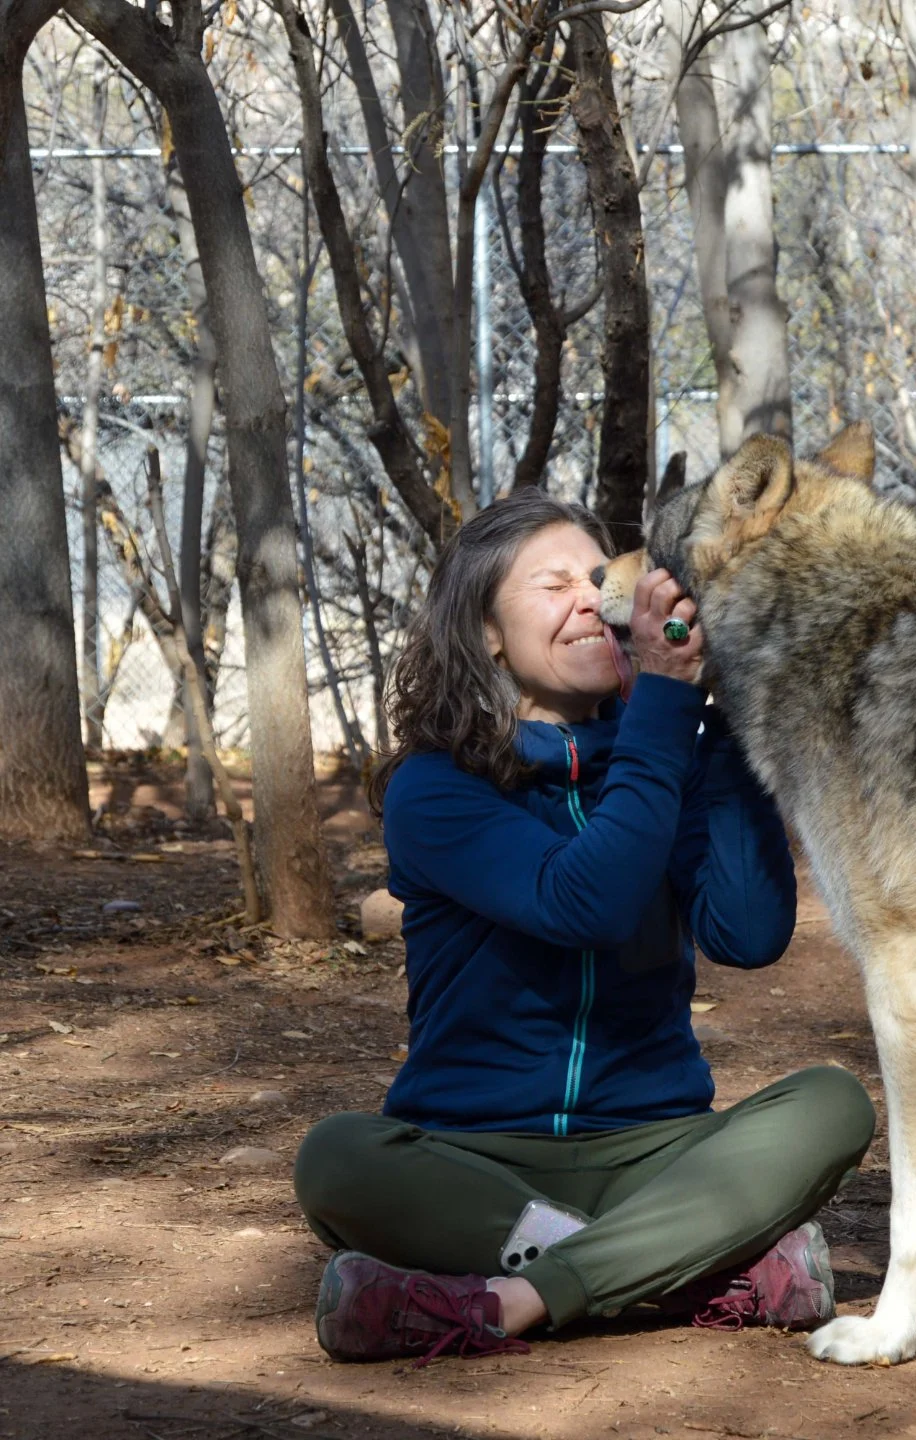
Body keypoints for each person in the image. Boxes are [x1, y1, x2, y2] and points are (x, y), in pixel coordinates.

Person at [293, 489, 875, 1366]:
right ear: (486, 631)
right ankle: (681, 1271)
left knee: (833, 1104)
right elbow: (583, 902)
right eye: (551, 584)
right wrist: (665, 721)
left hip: (658, 1149)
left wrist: (723, 724)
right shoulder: (438, 785)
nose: (589, 601)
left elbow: (748, 935)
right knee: (336, 1159)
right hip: (471, 1158)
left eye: (600, 579)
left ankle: (511, 1297)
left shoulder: (669, 746)